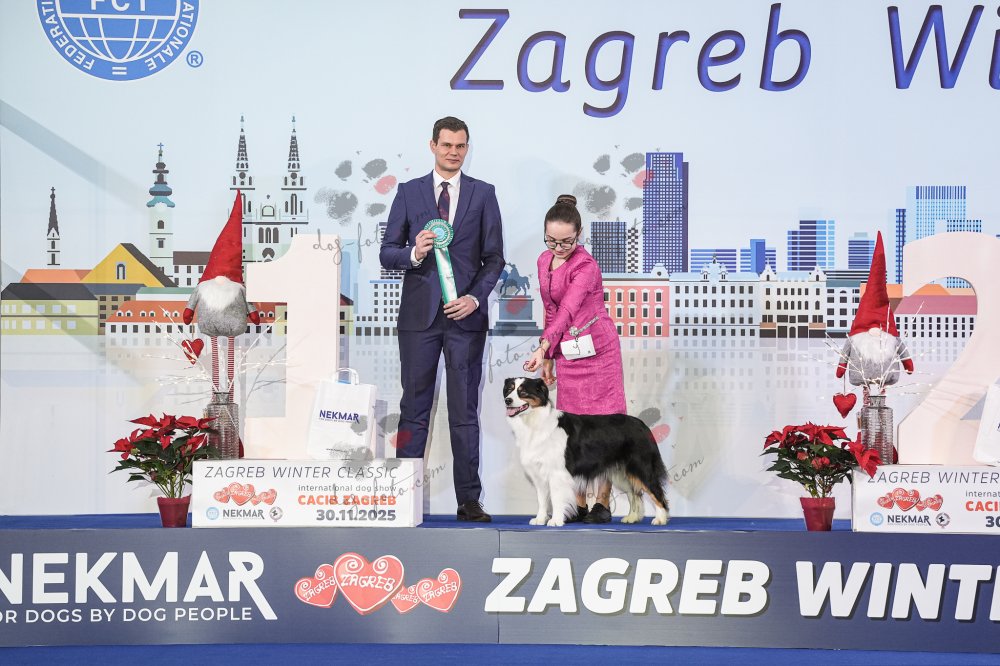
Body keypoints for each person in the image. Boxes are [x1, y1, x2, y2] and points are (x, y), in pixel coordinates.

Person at [379, 116, 505, 522]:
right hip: (418, 320)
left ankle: (468, 500)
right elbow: (387, 252)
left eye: (461, 146)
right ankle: (403, 499)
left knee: (464, 412)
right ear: (432, 145)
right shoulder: (409, 192)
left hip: (465, 319)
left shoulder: (484, 194)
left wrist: (474, 298)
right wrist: (414, 252)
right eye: (447, 144)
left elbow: (494, 258)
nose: (454, 152)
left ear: (467, 148)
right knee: (413, 408)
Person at [523, 195, 625, 523]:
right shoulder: (543, 261)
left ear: (579, 234)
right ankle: (577, 502)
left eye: (566, 241)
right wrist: (549, 355)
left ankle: (602, 502)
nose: (558, 247)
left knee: (605, 428)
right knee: (572, 431)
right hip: (568, 352)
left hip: (599, 354)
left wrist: (542, 348)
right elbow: (551, 310)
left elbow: (568, 309)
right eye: (551, 240)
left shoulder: (586, 266)